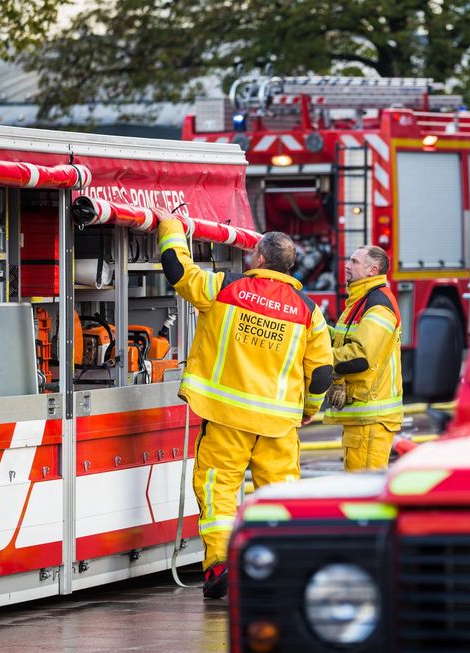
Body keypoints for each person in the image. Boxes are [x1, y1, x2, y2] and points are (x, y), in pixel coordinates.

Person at [155, 210, 333, 599]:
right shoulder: (309, 312)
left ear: (260, 259)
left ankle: (220, 564)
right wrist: (309, 409)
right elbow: (321, 373)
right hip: (279, 423)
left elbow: (177, 270)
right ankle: (285, 566)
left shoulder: (225, 288)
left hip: (226, 417)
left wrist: (168, 225)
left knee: (219, 490)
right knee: (281, 493)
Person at [324, 246, 403, 471]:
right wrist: (318, 331)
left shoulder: (377, 306)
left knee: (363, 492)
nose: (347, 266)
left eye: (354, 262)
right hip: (364, 420)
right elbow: (343, 342)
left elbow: (361, 357)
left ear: (372, 270)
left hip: (371, 419)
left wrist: (318, 357)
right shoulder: (361, 301)